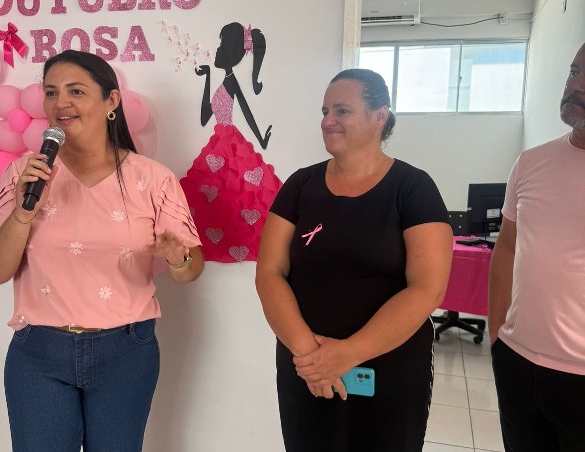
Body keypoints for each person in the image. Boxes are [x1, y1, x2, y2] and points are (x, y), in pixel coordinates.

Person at [0, 49, 204, 452]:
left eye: (76, 91)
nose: (60, 103)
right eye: (51, 92)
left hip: (126, 352)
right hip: (38, 354)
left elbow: (191, 268)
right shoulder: (23, 175)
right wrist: (22, 212)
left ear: (111, 101)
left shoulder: (152, 179)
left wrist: (179, 260)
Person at [255, 68, 452, 452]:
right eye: (325, 111)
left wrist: (347, 354)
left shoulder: (413, 188)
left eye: (342, 111)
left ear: (379, 116)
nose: (328, 121)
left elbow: (427, 289)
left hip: (389, 370)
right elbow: (269, 272)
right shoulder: (299, 186)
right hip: (305, 367)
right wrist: (311, 357)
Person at [488, 42, 585, 452]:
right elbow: (507, 249)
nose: (575, 85)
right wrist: (497, 336)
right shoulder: (530, 163)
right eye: (574, 71)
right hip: (517, 362)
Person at [180, 22, 282, 263]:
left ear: (231, 51)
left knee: (238, 193)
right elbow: (205, 115)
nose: (217, 50)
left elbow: (246, 111)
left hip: (230, 145)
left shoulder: (231, 81)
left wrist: (261, 138)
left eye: (221, 45)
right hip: (218, 143)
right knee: (210, 197)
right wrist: (207, 77)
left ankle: (241, 243)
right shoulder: (223, 82)